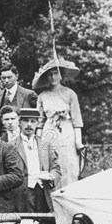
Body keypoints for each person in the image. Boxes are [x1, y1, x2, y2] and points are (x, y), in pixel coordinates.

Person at [33, 59, 84, 187]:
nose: (53, 77)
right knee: (49, 162)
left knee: (68, 163)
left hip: (67, 132)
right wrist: (38, 140)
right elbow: (40, 121)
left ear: (61, 75)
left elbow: (77, 120)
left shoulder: (70, 94)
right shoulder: (42, 96)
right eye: (50, 74)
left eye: (56, 73)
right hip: (48, 131)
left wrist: (79, 142)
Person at [12, 108, 61, 212]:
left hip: (43, 191)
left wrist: (51, 176)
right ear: (20, 122)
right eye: (26, 121)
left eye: (33, 121)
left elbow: (56, 168)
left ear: (38, 123)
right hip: (21, 193)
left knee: (44, 223)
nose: (29, 125)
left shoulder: (45, 145)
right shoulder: (10, 146)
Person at [0, 64, 37, 137]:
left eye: (9, 77)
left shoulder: (29, 94)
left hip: (23, 136)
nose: (6, 80)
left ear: (16, 76)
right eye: (3, 78)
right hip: (3, 137)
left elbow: (37, 116)